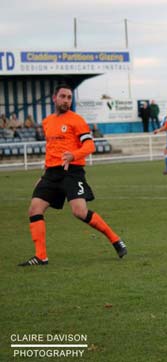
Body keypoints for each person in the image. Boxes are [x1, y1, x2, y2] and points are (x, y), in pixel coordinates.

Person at [18, 84, 127, 266]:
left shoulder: (76, 120)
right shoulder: (47, 122)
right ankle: (41, 256)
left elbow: (90, 145)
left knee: (79, 212)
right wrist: (44, 173)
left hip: (72, 171)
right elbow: (51, 149)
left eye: (69, 97)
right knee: (34, 209)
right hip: (52, 173)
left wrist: (73, 155)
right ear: (55, 98)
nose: (66, 100)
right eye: (63, 96)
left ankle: (115, 240)